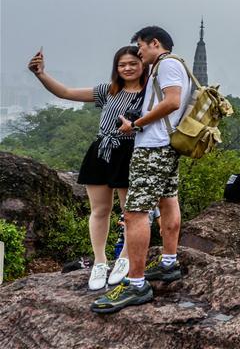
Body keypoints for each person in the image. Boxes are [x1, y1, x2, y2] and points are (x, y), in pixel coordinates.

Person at [28, 45, 147, 290]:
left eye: (133, 63)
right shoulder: (109, 90)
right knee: (99, 210)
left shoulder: (149, 94)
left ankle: (124, 257)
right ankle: (100, 261)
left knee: (130, 212)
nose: (127, 68)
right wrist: (41, 74)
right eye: (122, 64)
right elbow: (66, 92)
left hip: (130, 152)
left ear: (143, 65)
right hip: (102, 149)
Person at [91, 26, 192, 314]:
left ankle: (136, 284)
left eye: (140, 47)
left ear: (154, 43)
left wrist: (136, 124)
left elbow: (172, 102)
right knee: (168, 199)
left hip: (153, 147)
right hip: (167, 146)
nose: (138, 52)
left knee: (135, 213)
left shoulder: (167, 65)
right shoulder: (174, 65)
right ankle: (168, 263)